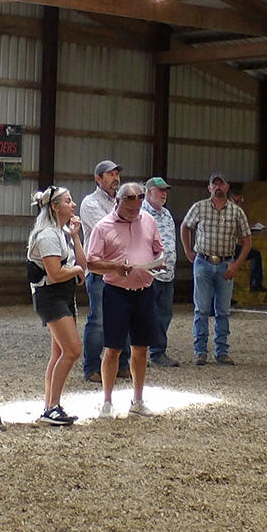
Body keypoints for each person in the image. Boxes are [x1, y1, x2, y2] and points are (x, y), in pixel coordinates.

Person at [86, 182, 167, 416]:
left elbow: (158, 248)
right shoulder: (103, 227)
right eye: (130, 209)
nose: (134, 213)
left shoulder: (148, 221)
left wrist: (159, 261)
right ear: (118, 202)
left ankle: (138, 400)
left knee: (140, 348)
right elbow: (91, 262)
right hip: (116, 292)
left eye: (138, 209)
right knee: (112, 348)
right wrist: (115, 266)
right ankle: (107, 402)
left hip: (144, 291)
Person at [27, 186, 87, 425]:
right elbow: (55, 273)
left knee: (59, 353)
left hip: (64, 294)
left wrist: (76, 237)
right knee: (72, 351)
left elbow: (83, 265)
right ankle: (51, 407)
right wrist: (76, 270)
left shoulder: (62, 232)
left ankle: (51, 406)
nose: (73, 205)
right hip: (50, 295)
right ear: (54, 207)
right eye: (68, 201)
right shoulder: (48, 236)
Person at [178, 172, 251, 367]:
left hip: (226, 263)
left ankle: (222, 351)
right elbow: (185, 226)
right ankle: (200, 351)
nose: (218, 187)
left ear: (227, 187)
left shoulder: (237, 212)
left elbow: (247, 241)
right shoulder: (199, 207)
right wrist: (188, 251)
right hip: (203, 261)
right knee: (201, 309)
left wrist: (236, 265)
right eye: (214, 184)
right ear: (209, 187)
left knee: (223, 311)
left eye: (221, 184)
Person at [77, 160, 121, 384]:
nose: (115, 178)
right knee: (99, 320)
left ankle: (122, 365)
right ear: (98, 178)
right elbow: (106, 232)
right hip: (99, 270)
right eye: (110, 174)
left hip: (119, 268)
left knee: (123, 318)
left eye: (116, 174)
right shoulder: (90, 203)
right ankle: (92, 367)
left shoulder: (121, 202)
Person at [141, 177, 178, 367]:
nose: (164, 194)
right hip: (149, 274)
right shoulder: (141, 214)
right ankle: (138, 353)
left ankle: (158, 352)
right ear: (149, 192)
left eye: (166, 191)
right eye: (160, 190)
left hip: (167, 274)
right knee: (143, 313)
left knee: (164, 314)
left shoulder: (167, 214)